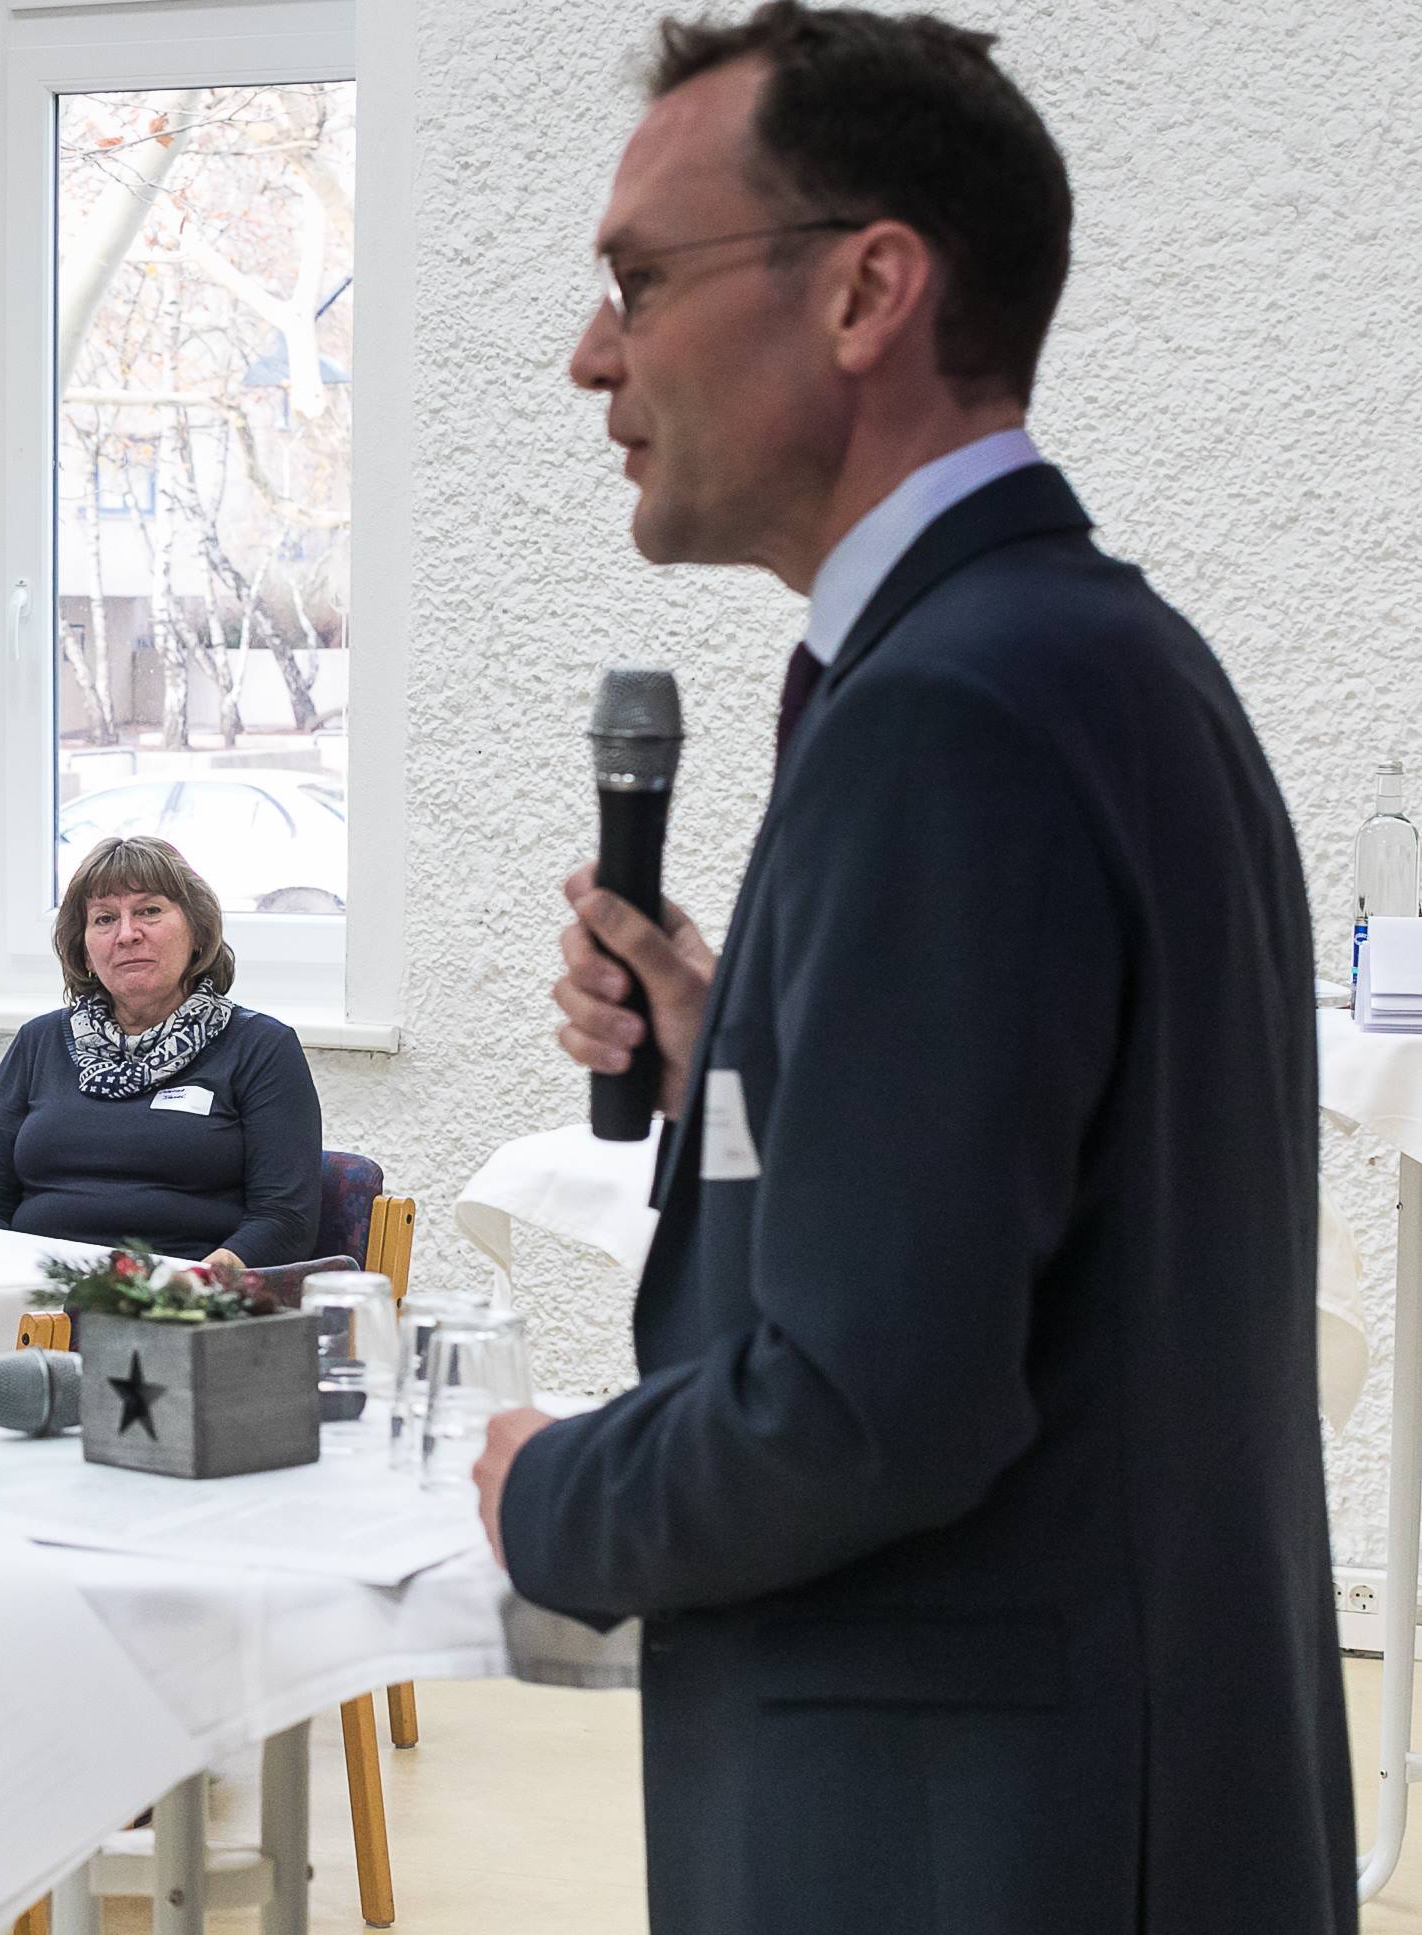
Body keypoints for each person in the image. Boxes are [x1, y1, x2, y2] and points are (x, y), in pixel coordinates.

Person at [476, 11, 1351, 1928]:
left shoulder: (951, 715)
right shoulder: (1092, 658)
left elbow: (868, 1412)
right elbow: (1067, 1222)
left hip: (976, 1843)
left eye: (640, 280)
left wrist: (544, 1495)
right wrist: (741, 1056)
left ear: (869, 290)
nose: (592, 355)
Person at [0, 836, 323, 1263]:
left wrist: (190, 1287)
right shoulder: (38, 1042)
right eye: (105, 919)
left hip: (183, 1291)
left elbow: (285, 1220)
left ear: (197, 932)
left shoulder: (261, 1047)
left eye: (149, 911)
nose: (127, 934)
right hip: (33, 1287)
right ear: (85, 953)